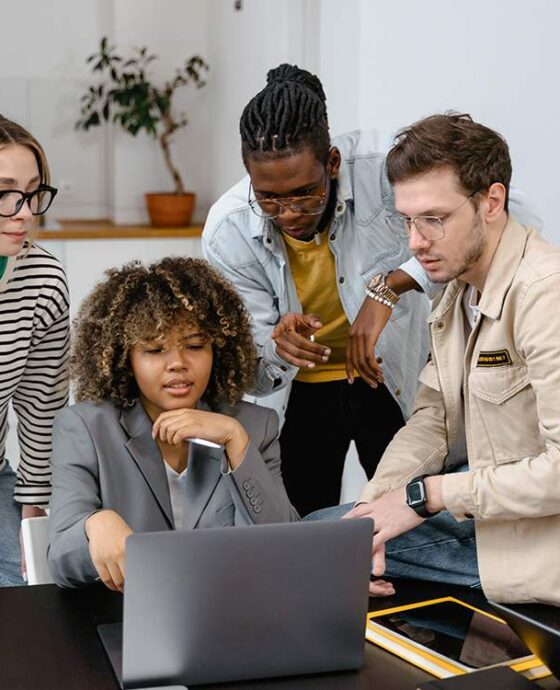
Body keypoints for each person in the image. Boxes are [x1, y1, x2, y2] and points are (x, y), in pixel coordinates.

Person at [202, 64, 539, 517]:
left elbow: (510, 224)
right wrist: (276, 347)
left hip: (392, 376)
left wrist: (392, 287)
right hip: (302, 395)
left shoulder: (386, 168)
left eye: (305, 193)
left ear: (333, 163)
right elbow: (253, 373)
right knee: (303, 528)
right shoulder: (228, 232)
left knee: (411, 519)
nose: (288, 213)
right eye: (269, 198)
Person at [329, 112, 560, 606]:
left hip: (541, 545)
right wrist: (374, 506)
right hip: (492, 520)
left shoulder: (546, 295)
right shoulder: (458, 288)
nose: (415, 242)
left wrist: (426, 496)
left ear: (492, 202)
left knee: (317, 545)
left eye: (434, 219)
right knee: (336, 536)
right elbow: (434, 419)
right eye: (407, 221)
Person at [47, 257, 298, 591]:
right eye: (154, 350)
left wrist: (235, 441)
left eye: (195, 346)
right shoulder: (85, 428)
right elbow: (61, 563)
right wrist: (95, 524)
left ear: (217, 349)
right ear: (125, 359)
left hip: (231, 612)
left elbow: (287, 549)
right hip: (127, 619)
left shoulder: (254, 426)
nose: (178, 364)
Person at [0, 116, 69, 587]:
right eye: (4, 194)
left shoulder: (43, 278)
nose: (23, 212)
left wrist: (35, 516)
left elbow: (42, 407)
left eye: (31, 193)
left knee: (33, 595)